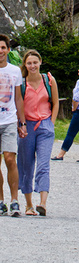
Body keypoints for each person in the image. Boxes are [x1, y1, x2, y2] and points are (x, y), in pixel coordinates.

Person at [17, 50, 59, 216]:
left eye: (35, 62)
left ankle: (42, 203)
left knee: (43, 164)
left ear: (40, 62)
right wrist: (21, 124)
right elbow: (18, 105)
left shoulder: (48, 80)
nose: (32, 66)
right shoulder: (21, 83)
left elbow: (55, 103)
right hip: (26, 127)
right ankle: (28, 205)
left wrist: (51, 123)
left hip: (44, 126)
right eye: (29, 63)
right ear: (25, 65)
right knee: (26, 165)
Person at [0, 33, 26, 217]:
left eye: (2, 48)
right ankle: (1, 201)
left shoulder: (15, 71)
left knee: (10, 159)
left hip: (9, 120)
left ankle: (15, 200)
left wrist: (22, 122)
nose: (0, 51)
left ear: (8, 50)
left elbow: (18, 98)